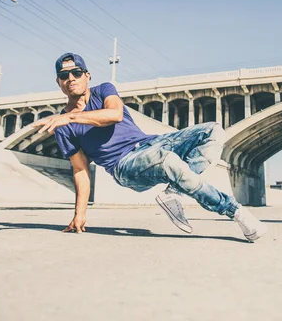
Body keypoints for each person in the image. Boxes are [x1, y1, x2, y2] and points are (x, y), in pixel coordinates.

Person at [34, 52, 267, 242]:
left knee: (213, 130)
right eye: (64, 75)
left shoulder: (104, 90)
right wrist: (80, 214)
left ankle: (173, 193)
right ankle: (235, 211)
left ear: (87, 75)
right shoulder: (62, 127)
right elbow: (80, 170)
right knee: (167, 160)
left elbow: (114, 114)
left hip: (149, 142)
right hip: (124, 166)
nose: (71, 78)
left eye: (76, 72)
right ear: (58, 82)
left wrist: (72, 118)